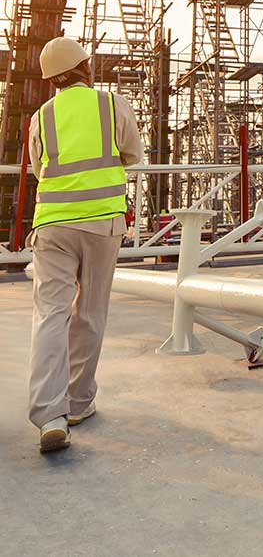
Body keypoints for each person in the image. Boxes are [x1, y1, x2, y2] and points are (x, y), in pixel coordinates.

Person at [27, 37, 144, 453]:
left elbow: (40, 169)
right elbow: (133, 154)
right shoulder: (112, 105)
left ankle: (49, 416)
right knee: (90, 313)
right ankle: (78, 403)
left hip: (53, 225)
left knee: (50, 317)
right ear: (86, 69)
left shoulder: (42, 116)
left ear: (51, 80)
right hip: (101, 225)